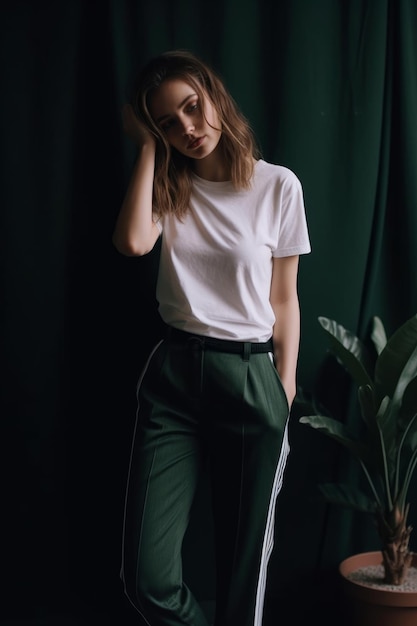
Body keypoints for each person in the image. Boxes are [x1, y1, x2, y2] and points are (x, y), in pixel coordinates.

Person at [113, 49, 311, 626]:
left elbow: (283, 298)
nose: (188, 130)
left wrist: (285, 387)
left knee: (242, 572)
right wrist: (148, 148)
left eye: (192, 109)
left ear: (213, 94)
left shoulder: (279, 186)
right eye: (167, 123)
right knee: (147, 578)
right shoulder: (167, 187)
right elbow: (131, 243)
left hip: (252, 377)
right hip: (173, 377)